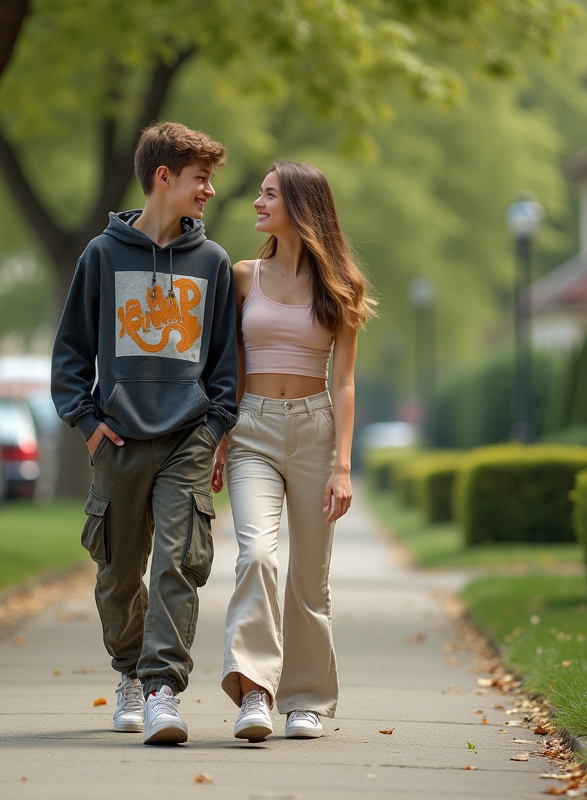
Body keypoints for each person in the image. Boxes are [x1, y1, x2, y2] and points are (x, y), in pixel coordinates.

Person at [51, 122, 238, 745]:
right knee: (117, 575)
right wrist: (88, 423)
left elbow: (222, 364)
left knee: (178, 565)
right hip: (120, 439)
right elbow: (72, 353)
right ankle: (128, 672)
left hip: (187, 436)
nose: (209, 191)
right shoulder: (102, 256)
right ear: (165, 178)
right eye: (200, 179)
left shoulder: (211, 263)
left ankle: (162, 690)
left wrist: (213, 429)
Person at [214, 160, 375, 742]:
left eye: (268, 194)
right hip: (252, 428)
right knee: (255, 555)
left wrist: (342, 464)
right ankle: (254, 691)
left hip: (315, 431)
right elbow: (228, 364)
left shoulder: (341, 286)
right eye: (259, 194)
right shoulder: (241, 276)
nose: (257, 203)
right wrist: (222, 433)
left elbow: (346, 381)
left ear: (301, 206)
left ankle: (304, 699)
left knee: (309, 577)